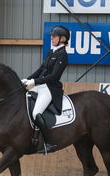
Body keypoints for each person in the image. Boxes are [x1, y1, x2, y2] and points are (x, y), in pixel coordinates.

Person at [21, 25, 70, 154]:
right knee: (24, 100)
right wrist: (26, 80)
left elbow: (54, 76)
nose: (52, 38)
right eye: (52, 36)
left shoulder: (62, 55)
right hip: (40, 86)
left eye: (54, 37)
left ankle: (49, 143)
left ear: (62, 39)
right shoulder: (51, 52)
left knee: (36, 112)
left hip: (50, 88)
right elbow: (40, 70)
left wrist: (34, 81)